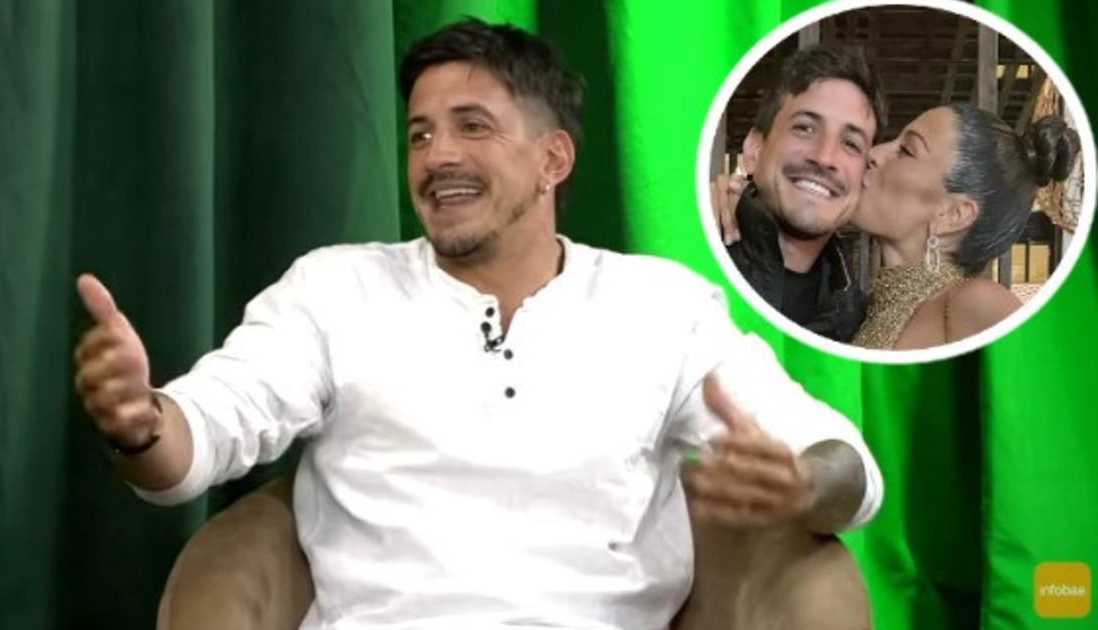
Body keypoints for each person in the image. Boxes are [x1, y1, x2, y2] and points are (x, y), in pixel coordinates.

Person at [73, 19, 883, 629]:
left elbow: (840, 460)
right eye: (420, 133)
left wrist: (804, 484)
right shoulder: (336, 289)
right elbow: (202, 436)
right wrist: (144, 423)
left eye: (473, 127)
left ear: (552, 161)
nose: (437, 156)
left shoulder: (661, 308)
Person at [847, 104, 1081, 349]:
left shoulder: (976, 304)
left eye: (906, 151)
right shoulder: (866, 313)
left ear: (953, 215)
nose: (873, 153)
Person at [713, 44, 887, 343]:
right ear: (754, 149)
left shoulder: (861, 331)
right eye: (805, 128)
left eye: (851, 144)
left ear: (863, 180)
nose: (825, 157)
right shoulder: (689, 251)